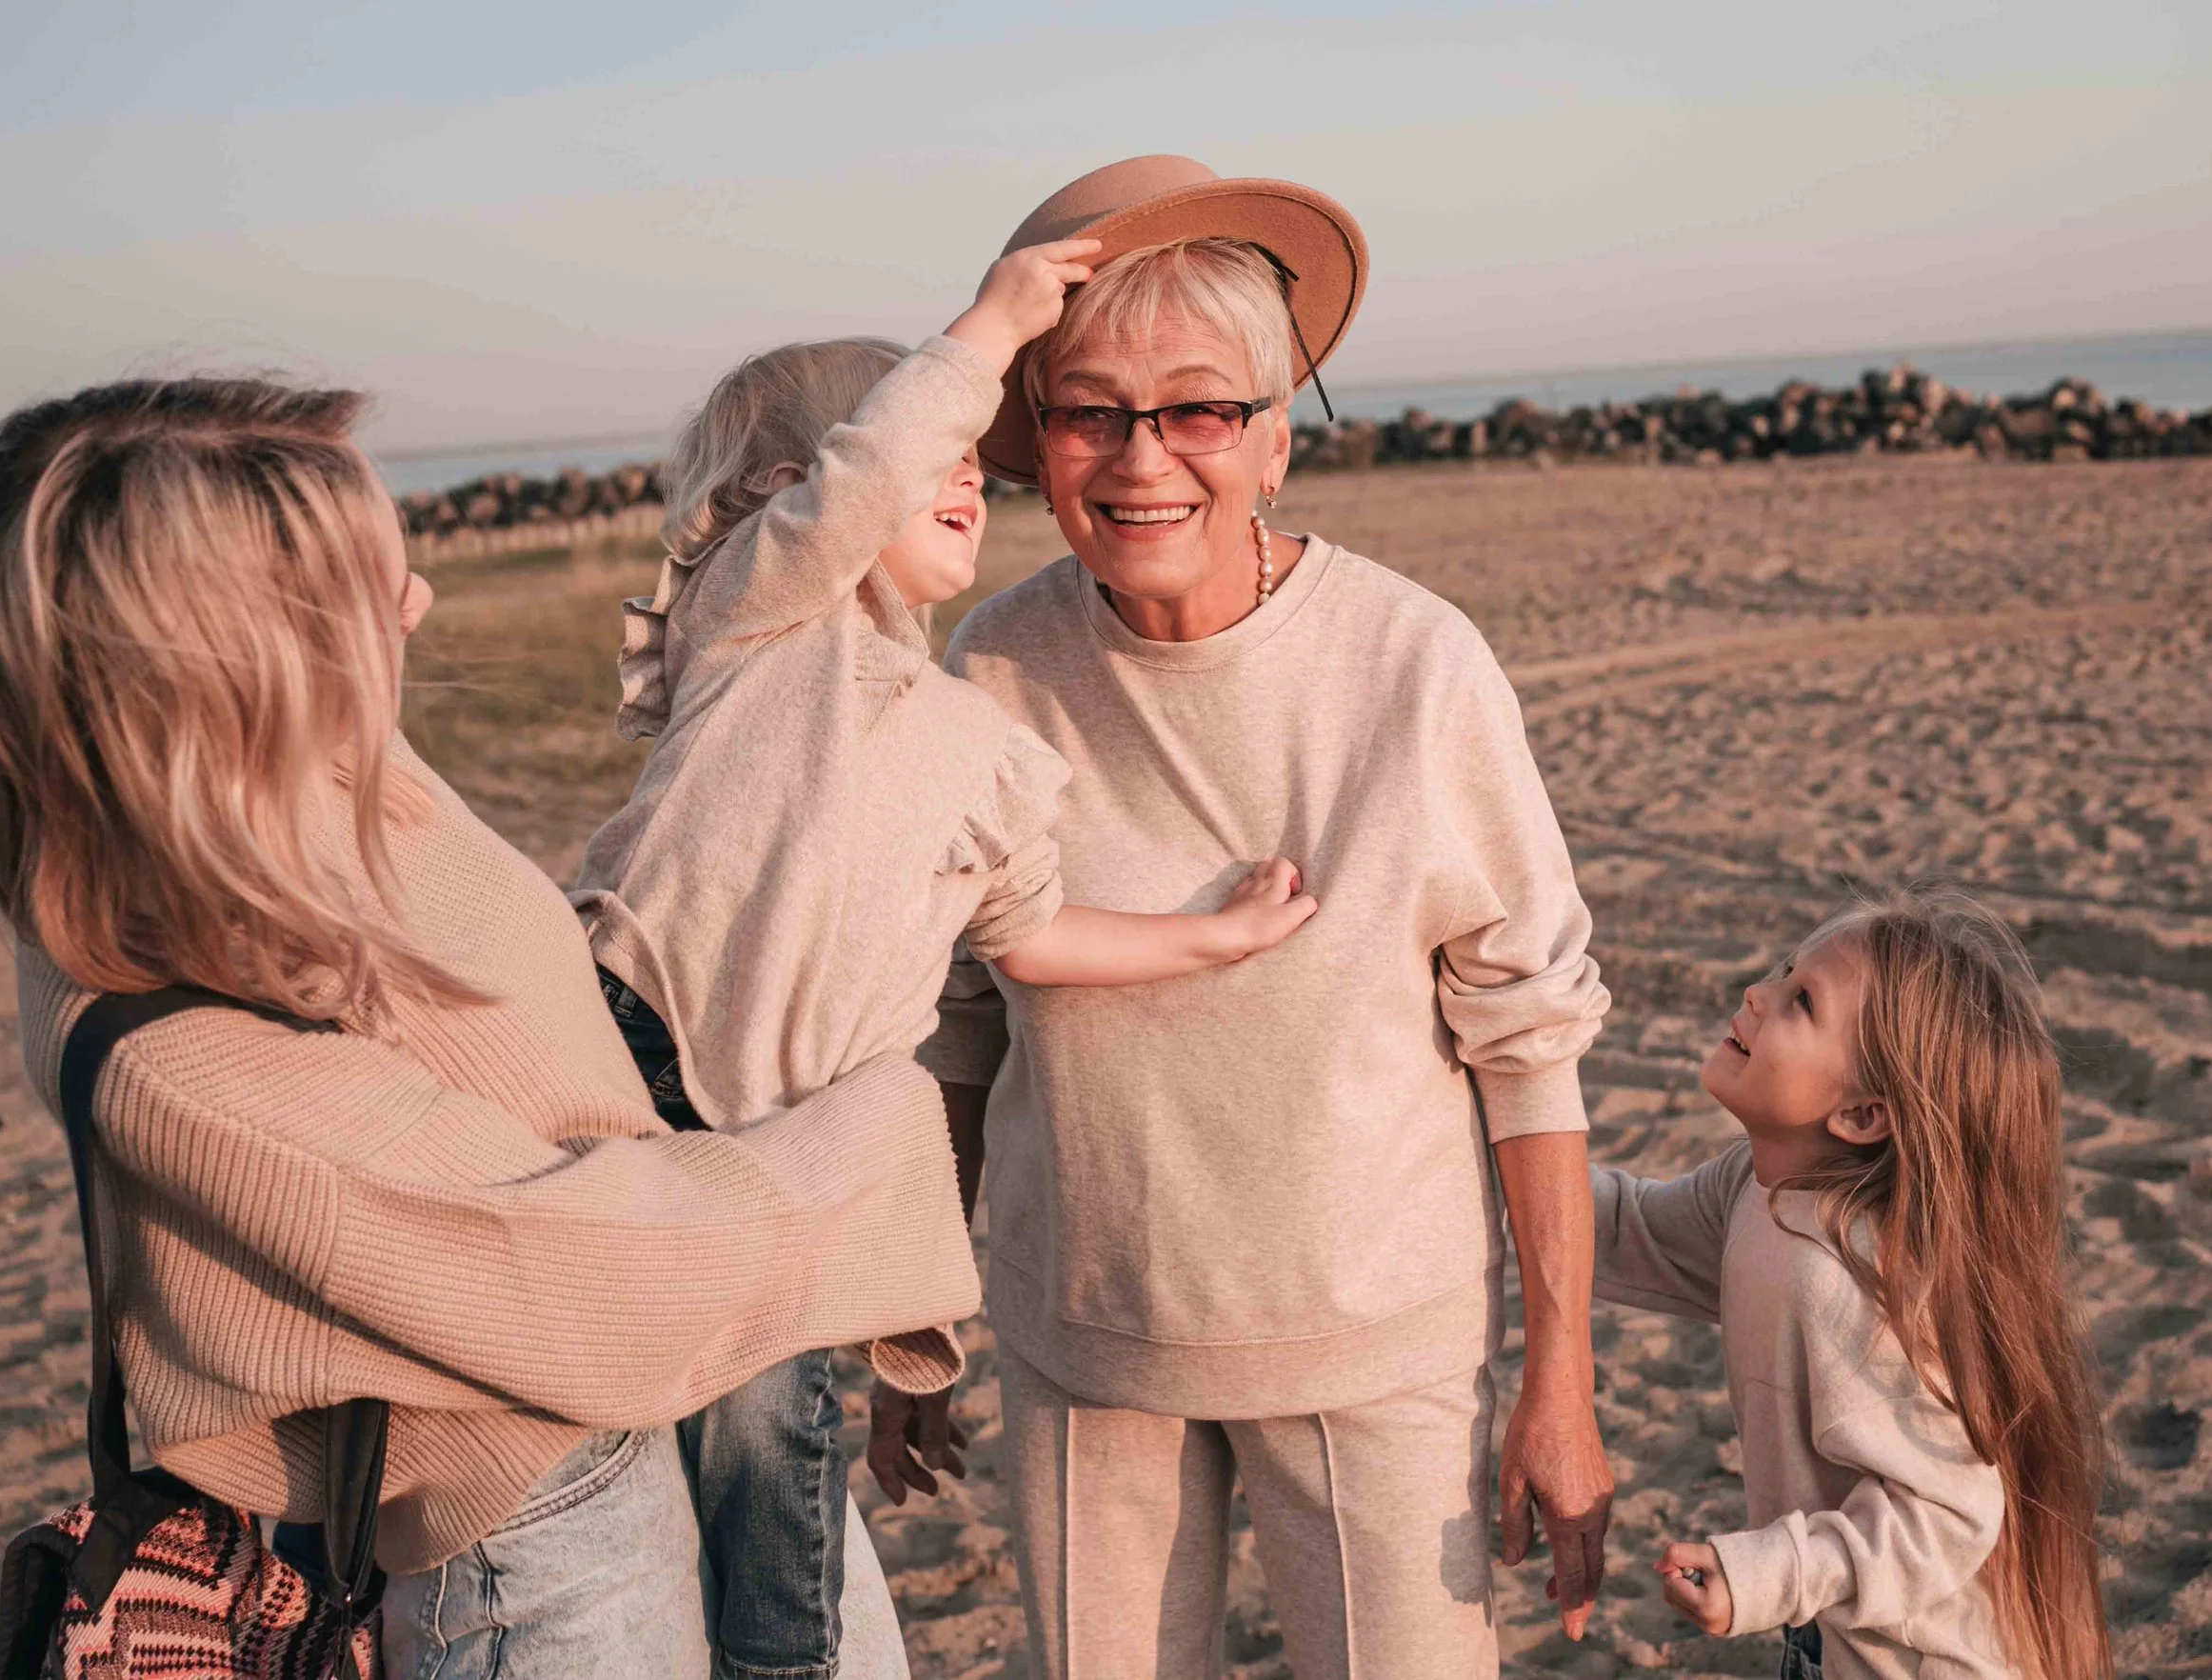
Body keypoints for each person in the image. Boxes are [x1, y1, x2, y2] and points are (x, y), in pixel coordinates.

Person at [0, 377, 983, 1679]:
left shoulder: (296, 794)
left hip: (630, 1439)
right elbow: (591, 1276)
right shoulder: (177, 1044)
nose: (419, 602)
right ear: (232, 649)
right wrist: (881, 1125)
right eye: (377, 584)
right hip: (531, 1549)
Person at [879, 156, 1616, 1678]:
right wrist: (911, 1314)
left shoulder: (1417, 665)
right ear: (1038, 443)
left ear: (1275, 439)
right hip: (1083, 1344)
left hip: (1370, 1351)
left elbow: (1527, 1041)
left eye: (1200, 408)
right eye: (1091, 411)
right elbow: (947, 1024)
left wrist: (1563, 1384)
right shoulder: (991, 667)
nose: (1143, 459)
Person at [571, 241, 1319, 1680]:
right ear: (804, 495)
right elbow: (862, 480)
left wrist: (1209, 934)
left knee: (770, 1479)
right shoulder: (766, 629)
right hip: (627, 1056)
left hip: (779, 1153)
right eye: (938, 453)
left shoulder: (979, 744)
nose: (968, 472)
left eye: (982, 460)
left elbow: (1034, 935)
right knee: (631, 1454)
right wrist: (989, 324)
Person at [1594, 888, 2111, 1680]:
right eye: (1782, 969)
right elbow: (1628, 1230)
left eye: (1801, 1001)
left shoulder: (1844, 1274)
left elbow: (1944, 1512)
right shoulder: (1754, 1191)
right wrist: (1484, 1152)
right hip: (1836, 1644)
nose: (1756, 994)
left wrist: (1770, 1574)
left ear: (1865, 1115)